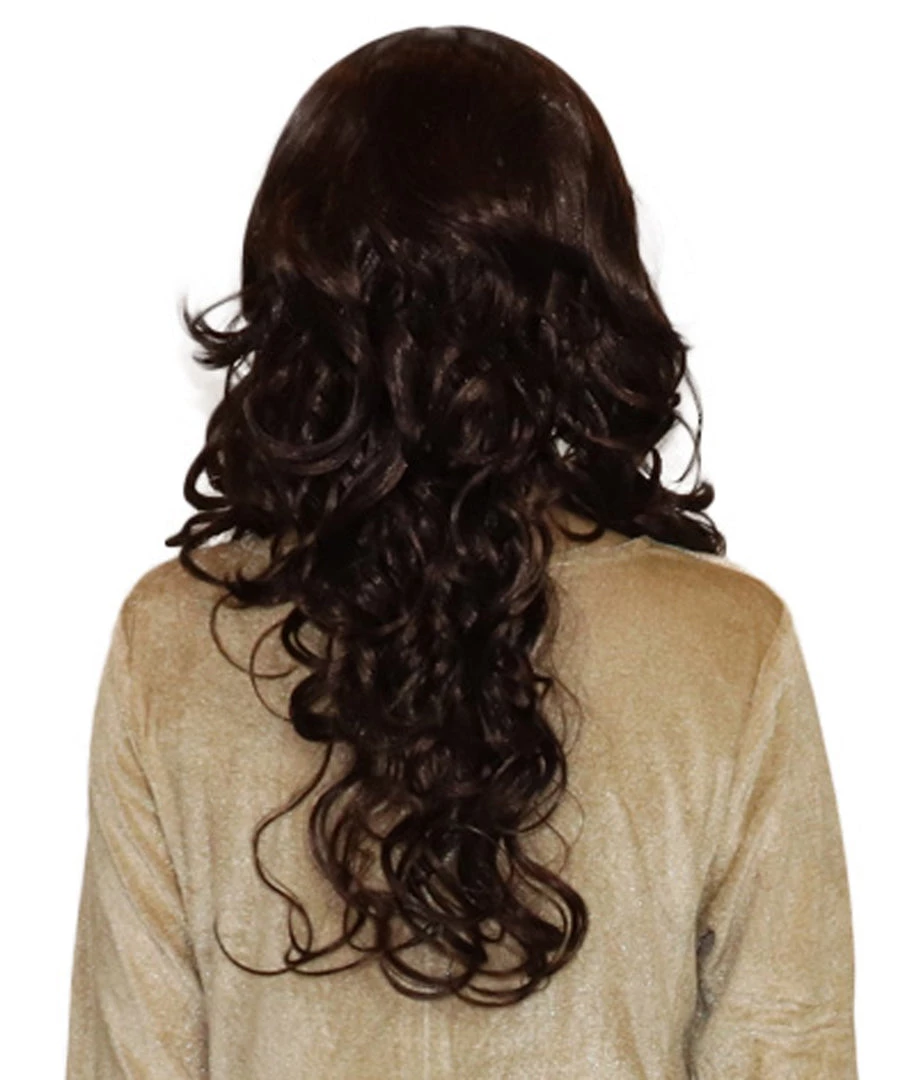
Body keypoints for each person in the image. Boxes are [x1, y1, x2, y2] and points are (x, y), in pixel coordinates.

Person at [65, 24, 858, 1079]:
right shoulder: (725, 644)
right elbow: (786, 1050)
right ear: (586, 289)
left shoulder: (175, 640)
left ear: (300, 285)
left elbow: (128, 1059)